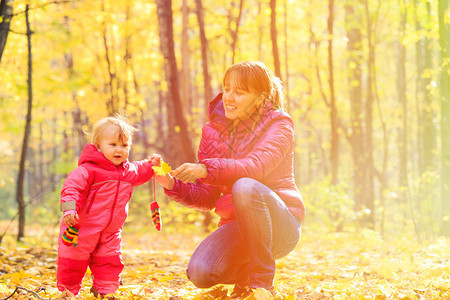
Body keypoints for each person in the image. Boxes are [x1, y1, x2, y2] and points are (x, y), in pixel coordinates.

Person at [153, 61, 304, 298]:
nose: (229, 98)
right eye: (227, 89)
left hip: (281, 226)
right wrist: (172, 185)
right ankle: (244, 278)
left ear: (260, 97)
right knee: (200, 272)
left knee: (245, 186)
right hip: (238, 226)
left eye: (240, 92)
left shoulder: (279, 124)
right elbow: (209, 196)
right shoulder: (212, 132)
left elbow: (255, 167)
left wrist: (206, 168)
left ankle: (261, 284)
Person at [57, 114, 155, 298]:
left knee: (109, 260)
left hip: (110, 231)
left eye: (124, 146)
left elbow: (141, 170)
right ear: (98, 146)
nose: (119, 150)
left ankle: (106, 291)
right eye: (113, 145)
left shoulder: (128, 172)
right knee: (73, 260)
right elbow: (72, 187)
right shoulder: (88, 170)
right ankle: (68, 292)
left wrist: (152, 164)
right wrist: (69, 209)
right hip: (80, 228)